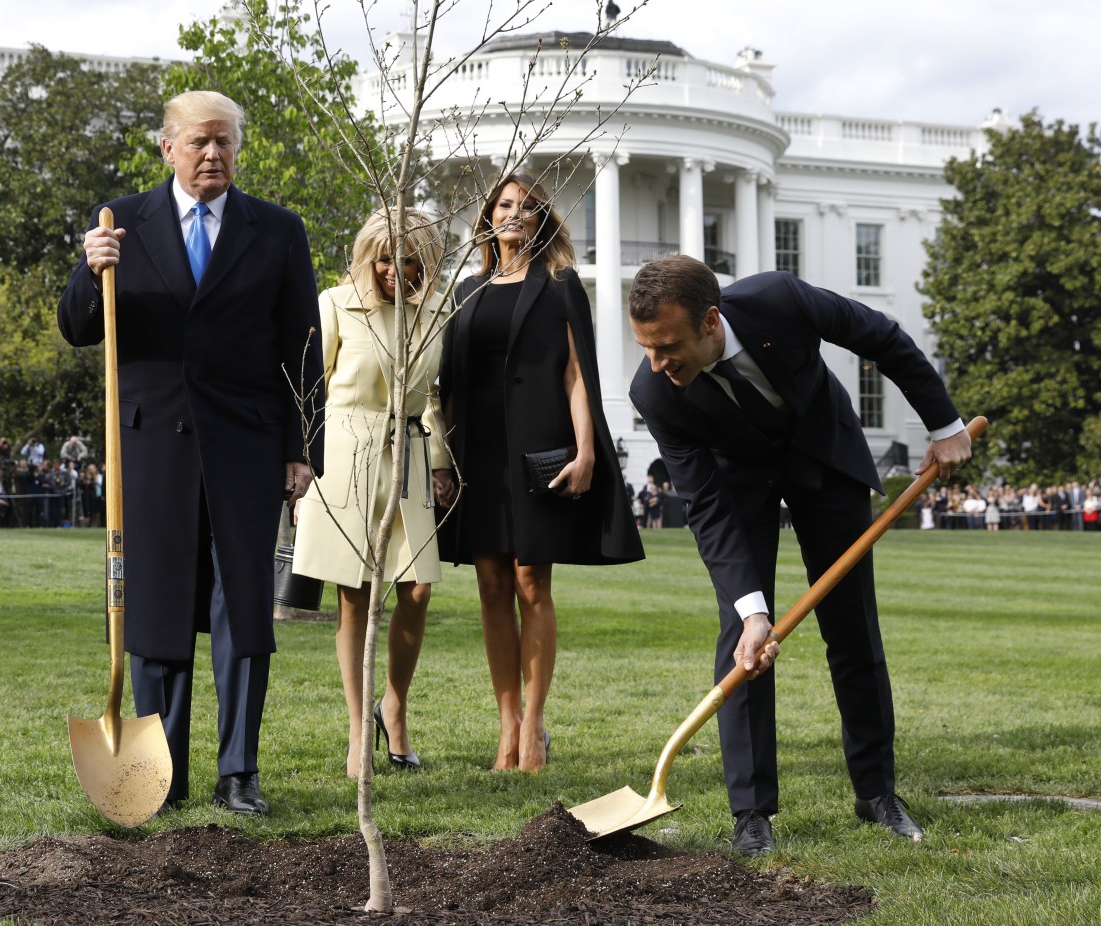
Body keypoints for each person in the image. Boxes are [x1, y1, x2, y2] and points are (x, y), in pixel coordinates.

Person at [627, 254, 972, 856]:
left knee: (852, 627)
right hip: (740, 483)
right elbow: (706, 506)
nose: (658, 363)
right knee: (744, 641)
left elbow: (881, 337)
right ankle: (751, 813)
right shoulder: (655, 393)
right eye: (647, 348)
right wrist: (753, 610)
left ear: (710, 321)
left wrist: (944, 425)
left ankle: (876, 792)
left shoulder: (779, 301)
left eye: (668, 346)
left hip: (822, 452)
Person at [57, 89, 324, 815]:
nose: (213, 154)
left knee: (245, 607)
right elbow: (78, 328)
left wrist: (303, 447)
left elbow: (302, 348)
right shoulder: (120, 223)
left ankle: (239, 772)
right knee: (157, 606)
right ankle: (160, 773)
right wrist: (89, 269)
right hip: (150, 447)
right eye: (199, 141)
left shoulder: (277, 231)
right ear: (167, 147)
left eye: (224, 141)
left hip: (248, 446)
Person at [438, 172, 644, 772]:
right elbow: (448, 379)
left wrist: (587, 451)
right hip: (478, 451)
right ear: (488, 217)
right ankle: (506, 726)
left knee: (531, 583)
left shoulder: (559, 284)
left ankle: (533, 727)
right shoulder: (467, 289)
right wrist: (441, 458)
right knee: (491, 585)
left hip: (538, 446)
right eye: (505, 204)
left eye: (527, 206)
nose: (515, 214)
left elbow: (578, 374)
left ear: (541, 220)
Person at [292, 209, 453, 778]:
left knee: (417, 590)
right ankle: (360, 729)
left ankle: (395, 708)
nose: (393, 270)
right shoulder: (335, 304)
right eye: (384, 258)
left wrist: (439, 461)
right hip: (345, 456)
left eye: (407, 260)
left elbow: (433, 396)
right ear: (367, 257)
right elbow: (309, 392)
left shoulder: (438, 310)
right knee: (355, 598)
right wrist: (301, 467)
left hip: (410, 455)